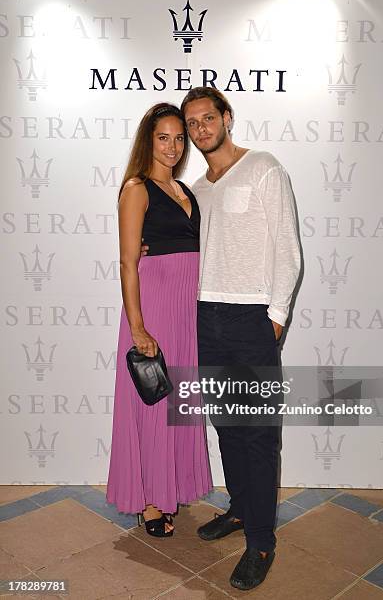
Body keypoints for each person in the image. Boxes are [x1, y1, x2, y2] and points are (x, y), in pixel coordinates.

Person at [181, 87, 301, 590]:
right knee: (226, 425)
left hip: (251, 318)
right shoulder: (194, 189)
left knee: (257, 433)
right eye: (192, 123)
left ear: (227, 118)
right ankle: (238, 510)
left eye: (208, 117)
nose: (200, 128)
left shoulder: (265, 167)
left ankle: (261, 541)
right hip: (204, 317)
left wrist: (272, 318)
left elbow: (288, 248)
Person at [106, 103, 213, 537]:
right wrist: (138, 327)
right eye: (163, 137)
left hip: (187, 312)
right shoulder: (137, 188)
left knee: (179, 402)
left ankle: (174, 485)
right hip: (153, 309)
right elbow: (128, 263)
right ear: (148, 142)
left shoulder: (187, 191)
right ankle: (149, 500)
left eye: (178, 137)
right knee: (153, 404)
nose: (172, 146)